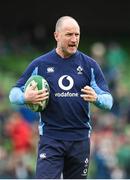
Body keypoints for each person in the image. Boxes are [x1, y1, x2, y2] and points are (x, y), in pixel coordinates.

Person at [9, 16, 113, 179]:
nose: (74, 39)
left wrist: (97, 98)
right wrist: (25, 97)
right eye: (69, 34)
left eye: (77, 35)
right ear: (56, 35)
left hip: (80, 141)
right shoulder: (40, 64)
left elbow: (109, 101)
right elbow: (13, 94)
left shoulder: (89, 65)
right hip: (51, 140)